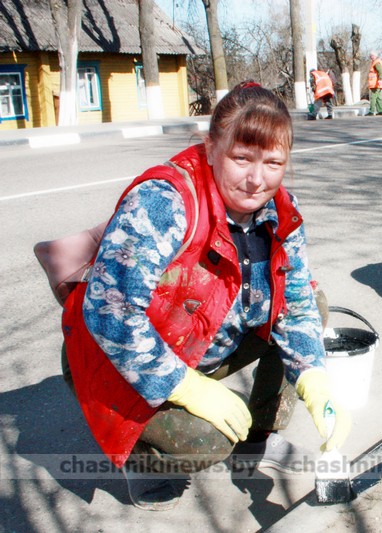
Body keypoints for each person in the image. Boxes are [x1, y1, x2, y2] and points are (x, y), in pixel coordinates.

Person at [59, 81, 351, 511]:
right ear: (211, 147)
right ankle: (143, 460)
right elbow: (110, 315)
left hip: (200, 339)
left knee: (314, 306)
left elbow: (296, 302)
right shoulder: (164, 202)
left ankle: (258, 441)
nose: (256, 180)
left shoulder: (280, 210)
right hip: (116, 356)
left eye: (274, 163)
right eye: (241, 158)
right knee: (208, 441)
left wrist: (314, 377)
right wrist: (184, 387)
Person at [366, 51, 382, 116]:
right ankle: (381, 110)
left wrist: (379, 80)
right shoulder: (376, 62)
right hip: (376, 83)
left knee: (373, 97)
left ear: (375, 56)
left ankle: (371, 111)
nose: (371, 57)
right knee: (378, 97)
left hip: (376, 83)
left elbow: (380, 72)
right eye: (370, 56)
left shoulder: (376, 63)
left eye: (372, 56)